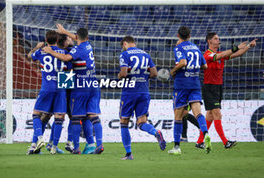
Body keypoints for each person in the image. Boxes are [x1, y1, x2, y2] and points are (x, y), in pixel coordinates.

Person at [43, 26, 104, 154]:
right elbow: (78, 38)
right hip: (90, 83)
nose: (72, 39)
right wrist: (64, 32)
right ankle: (95, 144)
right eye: (69, 39)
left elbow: (66, 59)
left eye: (74, 38)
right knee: (87, 116)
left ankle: (72, 145)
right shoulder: (87, 46)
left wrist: (49, 50)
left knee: (71, 116)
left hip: (76, 85)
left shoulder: (71, 51)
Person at [196, 32, 257, 149]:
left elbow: (237, 54)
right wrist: (235, 48)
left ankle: (199, 142)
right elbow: (219, 56)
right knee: (217, 114)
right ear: (209, 41)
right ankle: (225, 142)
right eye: (216, 39)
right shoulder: (207, 55)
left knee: (209, 116)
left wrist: (248, 46)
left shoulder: (220, 54)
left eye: (218, 38)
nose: (219, 40)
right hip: (209, 88)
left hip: (218, 87)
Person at [118, 36, 166, 160]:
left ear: (125, 44)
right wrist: (142, 79)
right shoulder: (145, 54)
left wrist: (119, 76)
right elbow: (154, 73)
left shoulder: (124, 54)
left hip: (129, 92)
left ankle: (129, 154)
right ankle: (156, 132)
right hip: (144, 92)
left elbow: (123, 74)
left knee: (124, 122)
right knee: (142, 122)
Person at [26, 30, 71, 155]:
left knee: (36, 114)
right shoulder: (65, 53)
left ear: (46, 40)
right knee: (59, 118)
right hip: (61, 88)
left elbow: (29, 56)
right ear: (57, 40)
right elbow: (69, 71)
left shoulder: (41, 51)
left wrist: (37, 47)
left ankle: (39, 140)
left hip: (46, 88)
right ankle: (53, 147)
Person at [169, 26, 210, 155]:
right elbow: (205, 66)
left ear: (178, 36)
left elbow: (183, 62)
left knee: (178, 115)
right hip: (195, 83)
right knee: (198, 112)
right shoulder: (196, 48)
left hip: (182, 84)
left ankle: (176, 147)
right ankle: (205, 133)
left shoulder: (178, 48)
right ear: (190, 36)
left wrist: (173, 70)